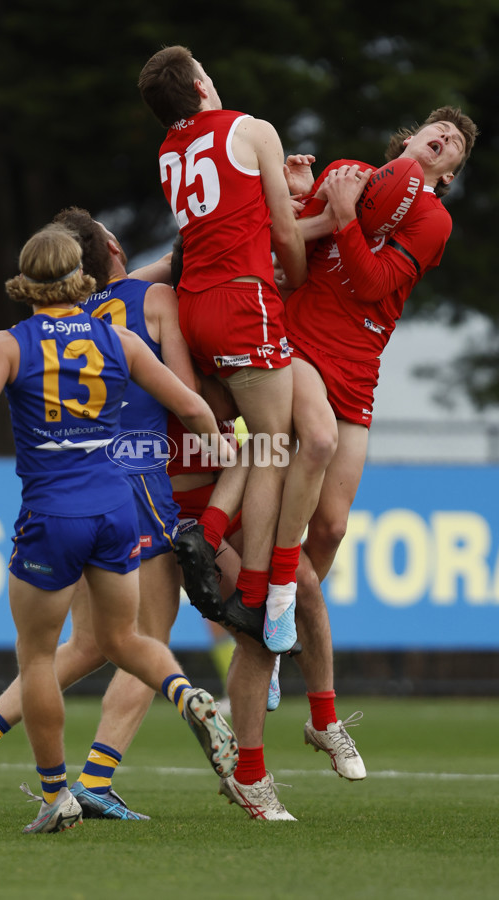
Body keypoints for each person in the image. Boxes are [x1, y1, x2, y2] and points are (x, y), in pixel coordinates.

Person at [0, 223, 238, 834]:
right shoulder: (119, 339)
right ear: (79, 276)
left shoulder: (8, 344)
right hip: (118, 510)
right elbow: (193, 407)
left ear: (24, 280)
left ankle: (59, 795)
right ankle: (186, 693)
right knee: (123, 639)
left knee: (38, 657)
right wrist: (230, 465)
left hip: (52, 517)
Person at [277, 106, 478, 765]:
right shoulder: (349, 173)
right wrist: (304, 191)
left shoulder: (434, 221)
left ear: (449, 173)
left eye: (456, 147)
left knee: (330, 530)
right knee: (314, 449)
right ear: (411, 139)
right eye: (439, 130)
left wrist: (339, 221)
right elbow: (291, 237)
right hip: (302, 343)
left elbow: (371, 282)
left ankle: (280, 625)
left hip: (359, 367)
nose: (446, 139)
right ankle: (275, 622)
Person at [139, 45, 308, 654]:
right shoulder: (251, 127)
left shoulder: (167, 151)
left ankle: (211, 537)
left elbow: (224, 214)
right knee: (276, 443)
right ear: (199, 83)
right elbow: (283, 230)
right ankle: (249, 582)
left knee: (243, 433)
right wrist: (297, 280)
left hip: (194, 305)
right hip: (244, 301)